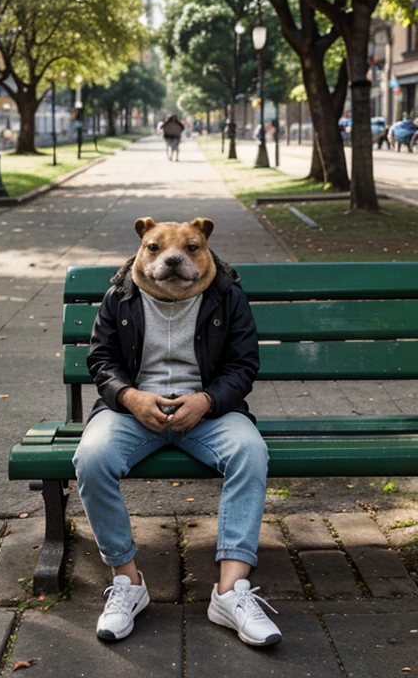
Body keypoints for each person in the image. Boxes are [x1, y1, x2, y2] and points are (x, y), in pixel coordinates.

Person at [73, 216, 282, 648]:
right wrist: (130, 397)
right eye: (155, 248)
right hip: (132, 411)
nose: (172, 258)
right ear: (141, 249)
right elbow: (101, 361)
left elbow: (243, 366)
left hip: (208, 412)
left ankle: (229, 591)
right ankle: (127, 582)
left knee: (250, 452)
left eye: (189, 248)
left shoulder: (227, 296)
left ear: (205, 249)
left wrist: (206, 400)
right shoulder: (121, 294)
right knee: (91, 457)